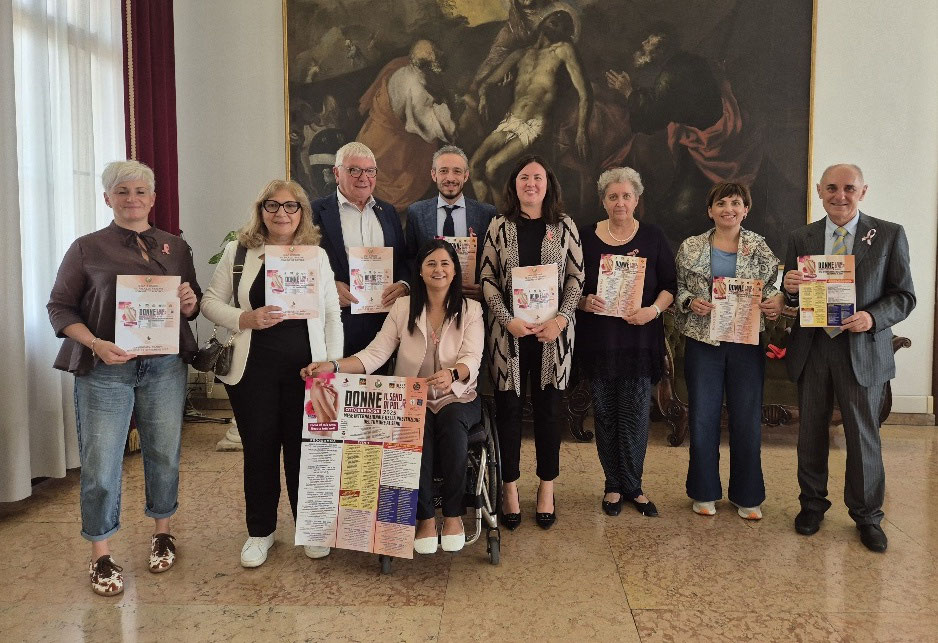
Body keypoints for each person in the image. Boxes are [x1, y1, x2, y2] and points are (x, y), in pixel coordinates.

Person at [47, 160, 201, 596]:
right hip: (104, 368)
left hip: (165, 366)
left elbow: (189, 303)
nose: (132, 199)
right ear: (107, 198)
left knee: (165, 453)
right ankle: (100, 553)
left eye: (140, 191)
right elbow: (59, 308)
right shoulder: (86, 248)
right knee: (100, 465)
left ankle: (163, 531)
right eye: (122, 192)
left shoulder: (176, 247)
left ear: (153, 199)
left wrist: (189, 301)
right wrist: (95, 343)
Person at [301, 239, 484, 553]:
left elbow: (472, 357)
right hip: (411, 399)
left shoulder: (471, 309)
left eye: (445, 264)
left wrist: (453, 374)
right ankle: (425, 517)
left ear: (454, 271)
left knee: (453, 423)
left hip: (458, 394)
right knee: (416, 426)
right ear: (421, 272)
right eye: (431, 264)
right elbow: (374, 355)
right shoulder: (403, 308)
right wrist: (331, 366)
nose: (438, 270)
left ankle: (453, 515)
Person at [201, 179, 343, 567]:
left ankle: (310, 529)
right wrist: (244, 317)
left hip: (310, 373)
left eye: (291, 206)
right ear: (261, 210)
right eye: (273, 205)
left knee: (308, 452)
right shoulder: (240, 252)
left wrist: (332, 363)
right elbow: (209, 303)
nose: (282, 213)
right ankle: (260, 532)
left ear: (302, 213)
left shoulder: (316, 256)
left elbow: (332, 315)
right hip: (253, 372)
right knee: (260, 451)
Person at [782, 164, 915, 552]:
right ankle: (811, 505)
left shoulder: (889, 235)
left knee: (862, 436)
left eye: (849, 189)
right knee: (809, 434)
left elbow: (904, 296)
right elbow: (794, 296)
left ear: (863, 191)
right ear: (819, 190)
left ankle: (868, 516)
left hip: (862, 349)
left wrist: (873, 317)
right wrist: (789, 287)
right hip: (813, 348)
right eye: (832, 188)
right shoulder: (801, 236)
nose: (840, 196)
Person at [480, 155, 584, 530]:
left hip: (553, 338)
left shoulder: (564, 226)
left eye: (538, 177)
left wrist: (561, 319)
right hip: (509, 337)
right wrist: (508, 321)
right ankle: (510, 488)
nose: (531, 184)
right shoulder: (499, 225)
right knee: (508, 413)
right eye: (524, 177)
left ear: (548, 184)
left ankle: (546, 486)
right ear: (515, 184)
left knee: (549, 413)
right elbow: (487, 278)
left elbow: (576, 278)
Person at [674, 182, 783, 520]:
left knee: (747, 418)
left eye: (736, 203)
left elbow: (773, 286)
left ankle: (747, 495)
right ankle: (704, 491)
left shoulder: (760, 247)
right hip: (703, 343)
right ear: (710, 210)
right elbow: (676, 288)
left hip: (745, 344)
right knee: (703, 417)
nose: (729, 209)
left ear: (746, 210)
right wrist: (691, 302)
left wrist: (774, 301)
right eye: (721, 203)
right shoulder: (691, 247)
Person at [576, 167, 676, 517]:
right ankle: (612, 485)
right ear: (603, 200)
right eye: (613, 196)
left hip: (639, 339)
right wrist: (582, 302)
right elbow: (569, 285)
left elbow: (669, 286)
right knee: (604, 414)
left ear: (637, 199)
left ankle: (634, 485)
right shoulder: (584, 236)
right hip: (599, 341)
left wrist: (652, 310)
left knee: (635, 415)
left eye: (626, 196)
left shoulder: (653, 236)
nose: (620, 202)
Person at [470, 10, 590, 204]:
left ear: (566, 33)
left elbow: (584, 94)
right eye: (554, 19)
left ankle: (500, 220)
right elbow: (487, 82)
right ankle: (488, 217)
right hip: (511, 120)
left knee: (492, 167)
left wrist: (581, 130)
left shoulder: (563, 50)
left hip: (535, 123)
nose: (557, 23)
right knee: (474, 165)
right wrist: (483, 95)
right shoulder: (520, 54)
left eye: (562, 23)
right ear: (543, 23)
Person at [312, 141, 411, 362]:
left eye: (370, 171)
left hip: (384, 320)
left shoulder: (388, 212)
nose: (363, 177)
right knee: (333, 388)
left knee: (377, 388)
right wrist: (327, 287)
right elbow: (302, 263)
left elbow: (403, 259)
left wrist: (404, 285)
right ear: (337, 173)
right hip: (337, 319)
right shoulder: (315, 211)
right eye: (354, 170)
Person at [357, 40, 456, 212]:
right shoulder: (414, 86)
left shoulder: (403, 67)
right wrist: (454, 112)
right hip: (390, 154)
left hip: (374, 139)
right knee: (385, 199)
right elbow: (431, 127)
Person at [404, 145, 496, 300]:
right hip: (429, 303)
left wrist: (485, 288)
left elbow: (494, 262)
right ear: (434, 175)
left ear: (466, 176)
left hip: (472, 304)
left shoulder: (487, 213)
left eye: (457, 171)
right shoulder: (416, 212)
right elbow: (410, 259)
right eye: (443, 171)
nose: (450, 178)